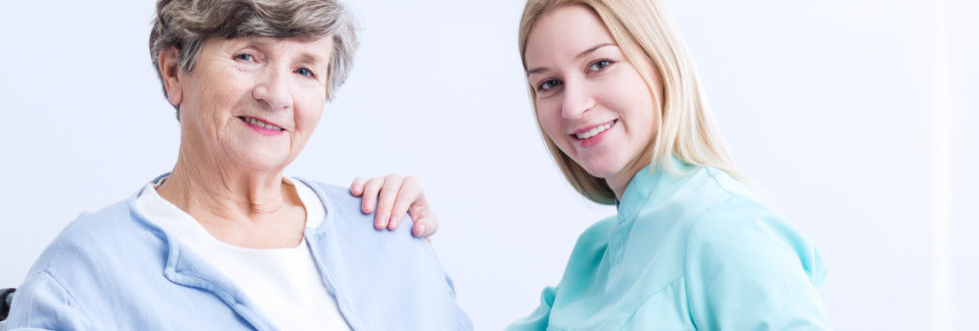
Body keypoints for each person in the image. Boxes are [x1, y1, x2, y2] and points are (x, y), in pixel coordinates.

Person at [355, 0, 830, 329]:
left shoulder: (724, 227)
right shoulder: (595, 255)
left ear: (658, 60)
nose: (573, 106)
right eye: (549, 84)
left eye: (599, 64)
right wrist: (400, 244)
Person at [3, 0, 474, 330]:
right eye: (248, 55)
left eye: (305, 69)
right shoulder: (84, 273)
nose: (277, 94)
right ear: (173, 72)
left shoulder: (387, 232)